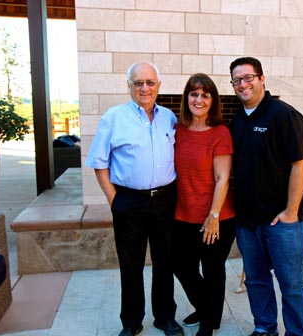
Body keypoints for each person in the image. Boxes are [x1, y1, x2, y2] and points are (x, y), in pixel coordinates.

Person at [85, 61, 184, 336]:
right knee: (131, 266)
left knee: (165, 263)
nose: (144, 88)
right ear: (128, 86)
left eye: (150, 82)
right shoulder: (113, 118)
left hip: (165, 200)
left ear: (158, 86)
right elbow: (99, 162)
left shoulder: (169, 118)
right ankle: (131, 322)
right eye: (138, 83)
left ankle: (165, 318)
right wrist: (114, 200)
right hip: (128, 201)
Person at [229, 57, 303, 336]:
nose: (243, 84)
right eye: (237, 80)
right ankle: (265, 328)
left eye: (248, 77)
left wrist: (290, 212)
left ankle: (297, 333)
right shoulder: (237, 119)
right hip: (248, 222)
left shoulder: (284, 115)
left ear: (262, 79)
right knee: (256, 280)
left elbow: (300, 165)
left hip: (281, 222)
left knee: (292, 284)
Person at [172, 73, 236, 336]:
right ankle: (208, 308)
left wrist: (214, 216)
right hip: (183, 214)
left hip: (217, 215)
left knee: (212, 269)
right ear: (187, 97)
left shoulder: (220, 133)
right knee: (181, 266)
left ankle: (208, 325)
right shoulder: (178, 130)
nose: (199, 99)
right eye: (194, 94)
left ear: (213, 101)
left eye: (205, 95)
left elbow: (223, 178)